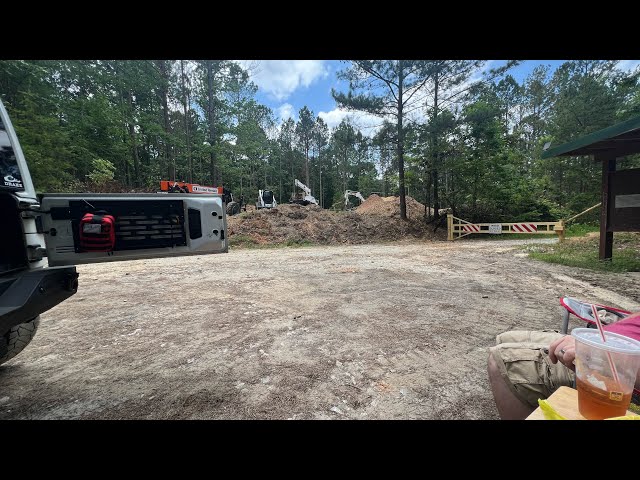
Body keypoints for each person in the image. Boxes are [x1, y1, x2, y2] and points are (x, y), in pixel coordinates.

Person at [487, 310, 640, 419]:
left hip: (615, 366)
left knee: (500, 359)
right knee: (506, 338)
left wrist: (598, 351)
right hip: (605, 339)